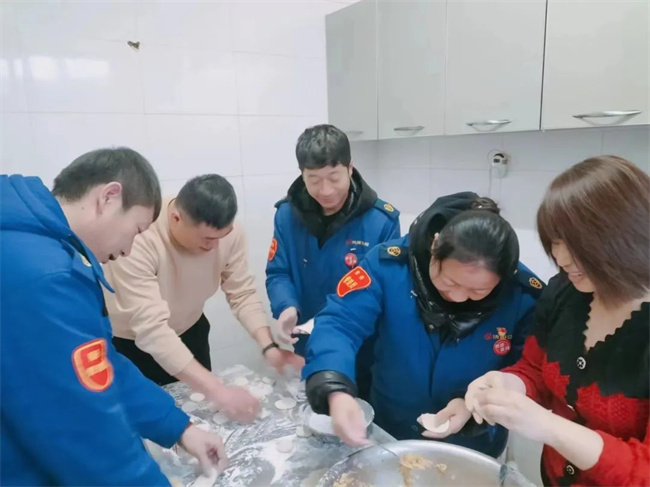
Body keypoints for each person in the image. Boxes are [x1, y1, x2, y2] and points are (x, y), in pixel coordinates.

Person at [0, 148, 227, 486]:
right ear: (108, 197)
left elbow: (100, 367)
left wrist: (181, 428)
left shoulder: (38, 243)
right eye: (136, 229)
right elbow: (84, 428)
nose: (129, 249)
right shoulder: (45, 274)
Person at [303, 192, 545, 458]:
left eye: (478, 292)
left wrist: (474, 405)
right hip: (390, 431)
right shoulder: (389, 266)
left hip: (472, 446)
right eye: (449, 282)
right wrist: (335, 389)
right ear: (435, 245)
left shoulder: (522, 296)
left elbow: (527, 372)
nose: (457, 297)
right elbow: (339, 322)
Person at [465, 156, 649, 486]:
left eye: (577, 244)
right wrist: (508, 383)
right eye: (555, 242)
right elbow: (535, 369)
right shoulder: (566, 292)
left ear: (627, 236)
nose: (561, 258)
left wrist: (548, 426)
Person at [104, 174, 302, 423]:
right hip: (131, 345)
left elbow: (241, 293)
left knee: (199, 418)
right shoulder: (140, 239)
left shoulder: (227, 234)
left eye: (221, 236)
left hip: (190, 332)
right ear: (176, 218)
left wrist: (269, 348)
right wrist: (217, 390)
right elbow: (151, 330)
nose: (214, 246)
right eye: (207, 239)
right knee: (145, 423)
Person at [266, 124, 400, 399]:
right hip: (307, 343)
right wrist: (286, 306)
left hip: (361, 348)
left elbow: (388, 293)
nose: (325, 190)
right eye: (314, 180)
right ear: (302, 174)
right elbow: (278, 272)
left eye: (334, 177)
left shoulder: (381, 221)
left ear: (350, 169)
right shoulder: (287, 215)